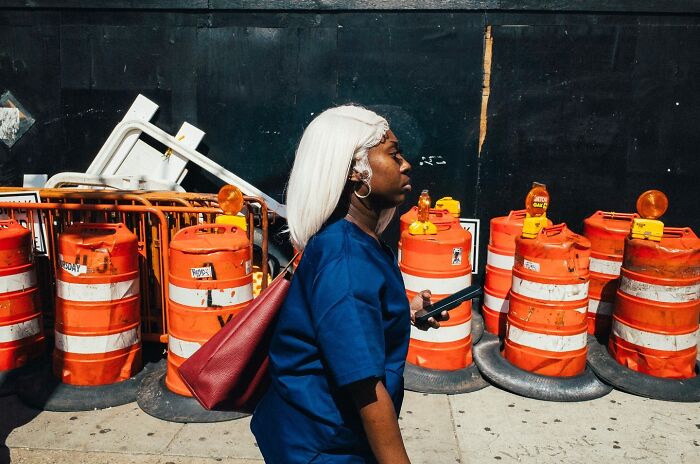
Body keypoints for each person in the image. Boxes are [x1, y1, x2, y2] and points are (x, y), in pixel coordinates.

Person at [251, 105, 446, 463]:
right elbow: (365, 388)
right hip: (325, 447)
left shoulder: (352, 239)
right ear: (357, 173)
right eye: (393, 154)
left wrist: (406, 310)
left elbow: (352, 315)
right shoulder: (345, 259)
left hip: (314, 434)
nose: (406, 165)